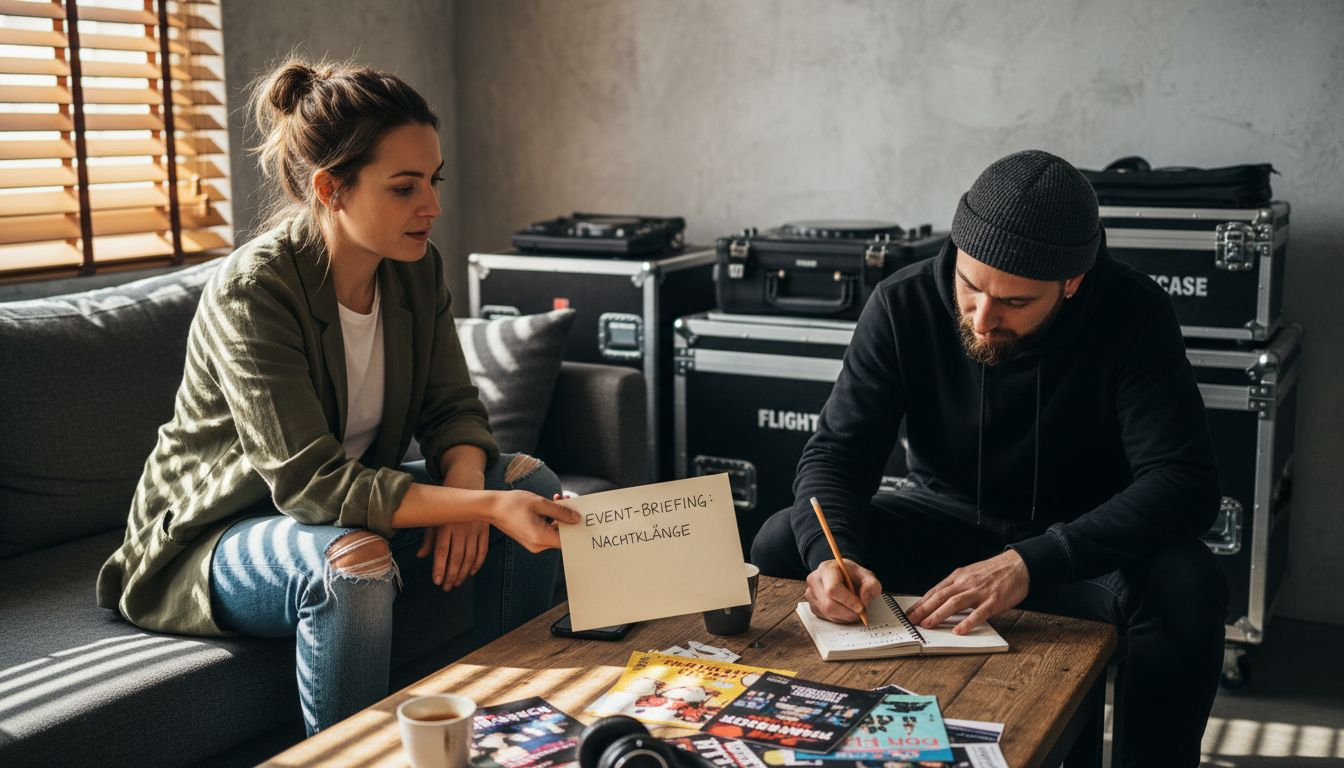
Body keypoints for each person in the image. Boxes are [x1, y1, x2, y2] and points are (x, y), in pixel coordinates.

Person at [96, 58, 581, 734]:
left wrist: (474, 494)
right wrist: (481, 504)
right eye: (405, 187)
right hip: (215, 536)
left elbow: (452, 409)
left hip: (339, 512)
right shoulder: (255, 291)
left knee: (531, 481)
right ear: (331, 189)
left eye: (433, 182)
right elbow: (311, 486)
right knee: (354, 562)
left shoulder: (415, 270)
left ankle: (505, 730)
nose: (432, 207)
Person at [751, 150, 1228, 766]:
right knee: (782, 544)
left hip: (1079, 549)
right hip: (945, 522)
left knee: (1186, 584)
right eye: (970, 286)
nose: (981, 318)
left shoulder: (1135, 314)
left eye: (1015, 303)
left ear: (1072, 283)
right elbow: (838, 453)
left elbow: (1184, 483)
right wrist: (830, 557)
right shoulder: (903, 304)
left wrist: (1030, 562)